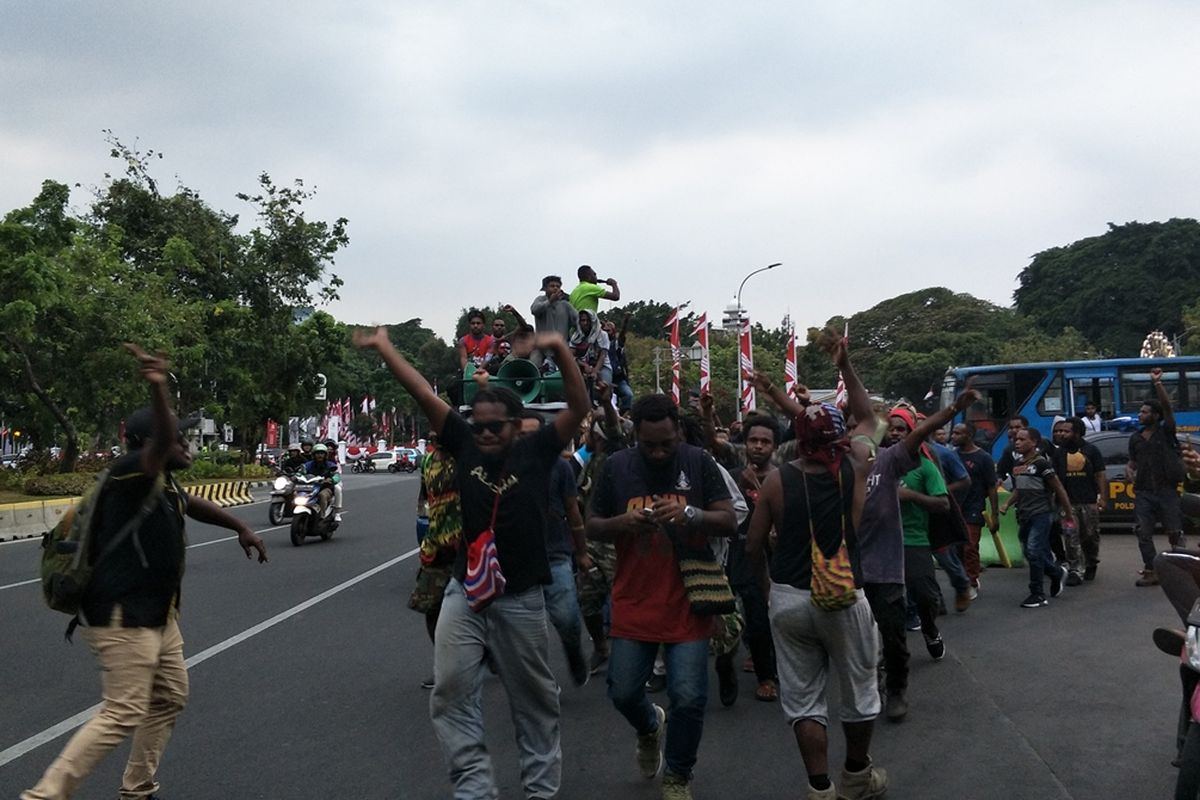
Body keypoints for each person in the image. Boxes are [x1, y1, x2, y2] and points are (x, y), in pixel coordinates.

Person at [21, 344, 268, 800]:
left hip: (158, 615)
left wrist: (240, 526)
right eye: (178, 438)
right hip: (123, 617)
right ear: (154, 443)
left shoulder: (160, 482)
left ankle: (138, 788)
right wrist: (157, 386)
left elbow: (192, 504)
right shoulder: (132, 471)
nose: (187, 445)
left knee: (169, 695)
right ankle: (44, 795)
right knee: (122, 711)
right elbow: (158, 449)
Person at [355, 326, 588, 800]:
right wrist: (384, 347)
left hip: (521, 597)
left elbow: (579, 407)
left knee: (535, 702)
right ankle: (475, 790)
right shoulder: (462, 444)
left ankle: (541, 791)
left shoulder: (539, 451)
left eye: (493, 426)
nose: (482, 433)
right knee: (451, 691)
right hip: (466, 592)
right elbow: (421, 391)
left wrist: (562, 350)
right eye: (476, 424)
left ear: (515, 424)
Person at [586, 394, 737, 800]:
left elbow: (729, 520)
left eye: (665, 444)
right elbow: (592, 525)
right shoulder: (617, 467)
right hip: (634, 598)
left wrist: (692, 515)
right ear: (635, 434)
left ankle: (678, 774)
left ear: (678, 432)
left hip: (688, 598)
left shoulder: (698, 462)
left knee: (688, 696)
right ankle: (650, 726)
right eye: (648, 444)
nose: (657, 452)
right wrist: (623, 522)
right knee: (622, 691)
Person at [517, 409, 592, 687]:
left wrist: (582, 553)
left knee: (568, 618)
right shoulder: (503, 467)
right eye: (521, 435)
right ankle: (544, 684)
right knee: (527, 631)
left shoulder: (560, 467)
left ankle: (574, 652)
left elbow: (573, 511)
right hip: (518, 560)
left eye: (533, 435)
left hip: (556, 555)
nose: (527, 440)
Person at [411, 432, 462, 690]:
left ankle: (491, 652)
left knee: (484, 609)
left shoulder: (464, 458)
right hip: (435, 545)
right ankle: (443, 666)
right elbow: (424, 496)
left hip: (466, 546)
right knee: (431, 609)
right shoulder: (428, 460)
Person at [1001, 428, 1074, 608]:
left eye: (1022, 439)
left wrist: (1068, 513)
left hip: (1041, 513)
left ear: (1033, 442)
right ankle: (1056, 574)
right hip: (1024, 514)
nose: (1017, 442)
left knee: (1034, 550)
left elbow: (1058, 488)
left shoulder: (1042, 464)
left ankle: (1037, 593)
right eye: (1016, 439)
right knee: (1029, 551)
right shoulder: (1017, 464)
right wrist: (1007, 503)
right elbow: (1020, 489)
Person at [1130, 368, 1186, 586]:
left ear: (1155, 415)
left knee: (1174, 531)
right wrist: (1129, 470)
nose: (1140, 415)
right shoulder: (1135, 438)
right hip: (1143, 492)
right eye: (1140, 412)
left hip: (1167, 491)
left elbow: (1168, 408)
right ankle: (1151, 570)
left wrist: (1158, 383)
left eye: (1145, 412)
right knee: (1143, 532)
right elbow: (1132, 461)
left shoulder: (1166, 431)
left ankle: (1182, 569)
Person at [1051, 417, 1108, 584]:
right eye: (1061, 431)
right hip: (1067, 505)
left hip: (1089, 502)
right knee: (1070, 536)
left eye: (1066, 431)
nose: (1062, 434)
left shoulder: (1091, 451)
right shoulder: (1059, 453)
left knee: (1090, 536)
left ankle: (1091, 562)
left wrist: (1103, 498)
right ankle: (1075, 569)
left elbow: (1100, 475)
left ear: (1076, 433)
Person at [951, 421, 1000, 591]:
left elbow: (991, 487)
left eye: (958, 433)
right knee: (956, 549)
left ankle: (971, 581)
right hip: (955, 508)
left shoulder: (983, 458)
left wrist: (995, 515)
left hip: (974, 508)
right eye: (953, 433)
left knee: (970, 546)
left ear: (969, 435)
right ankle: (963, 576)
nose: (953, 436)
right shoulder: (952, 456)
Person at [530, 275, 579, 368]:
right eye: (552, 286)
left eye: (558, 286)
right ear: (545, 288)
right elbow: (534, 310)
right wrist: (550, 301)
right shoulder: (540, 300)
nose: (556, 288)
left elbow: (578, 321)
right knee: (533, 366)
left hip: (561, 348)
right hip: (541, 347)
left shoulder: (566, 305)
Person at [303, 443, 343, 523]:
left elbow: (336, 475)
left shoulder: (330, 465)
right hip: (310, 487)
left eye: (322, 453)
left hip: (325, 487)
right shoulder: (308, 465)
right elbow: (300, 472)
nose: (320, 455)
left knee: (322, 495)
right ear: (314, 455)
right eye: (317, 453)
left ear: (325, 455)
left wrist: (331, 479)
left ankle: (322, 515)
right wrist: (296, 476)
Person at [603, 314, 635, 412]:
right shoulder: (598, 344)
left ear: (613, 332)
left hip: (618, 378)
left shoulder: (616, 344)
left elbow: (622, 335)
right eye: (604, 331)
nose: (606, 333)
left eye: (608, 331)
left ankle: (622, 414)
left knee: (628, 395)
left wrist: (625, 323)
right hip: (604, 378)